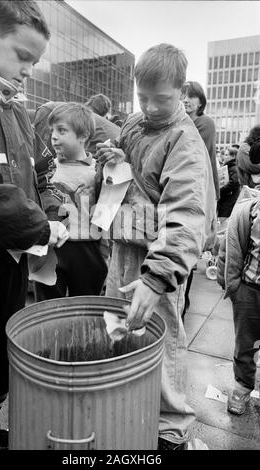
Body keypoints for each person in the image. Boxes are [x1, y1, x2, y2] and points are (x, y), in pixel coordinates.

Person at [96, 43, 217, 450]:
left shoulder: (184, 140)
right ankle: (125, 400)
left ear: (182, 92)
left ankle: (170, 430)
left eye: (161, 99)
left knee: (161, 334)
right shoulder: (134, 124)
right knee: (119, 321)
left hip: (155, 254)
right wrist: (116, 155)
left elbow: (185, 213)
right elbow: (137, 170)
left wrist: (158, 276)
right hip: (124, 244)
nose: (148, 107)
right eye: (142, 97)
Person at [0, 0, 68, 450]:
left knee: (1, 351)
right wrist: (38, 227)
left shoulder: (16, 104)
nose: (28, 69)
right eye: (22, 56)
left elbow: (41, 171)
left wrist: (52, 210)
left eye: (35, 61)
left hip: (13, 257)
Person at [34, 102, 108, 301]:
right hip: (51, 248)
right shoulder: (44, 170)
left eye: (62, 130)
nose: (54, 136)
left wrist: (105, 251)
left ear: (83, 136)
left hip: (87, 249)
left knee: (86, 308)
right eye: (52, 131)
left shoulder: (99, 171)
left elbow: (107, 210)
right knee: (47, 308)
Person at [217, 196, 260, 415]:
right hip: (250, 288)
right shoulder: (250, 209)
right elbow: (229, 246)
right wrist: (229, 282)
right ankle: (242, 388)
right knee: (246, 343)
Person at [181, 81, 219, 320]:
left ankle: (182, 305)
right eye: (182, 95)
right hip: (188, 191)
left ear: (200, 102)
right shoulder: (181, 122)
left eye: (191, 97)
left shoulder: (203, 123)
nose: (185, 100)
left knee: (187, 250)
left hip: (199, 193)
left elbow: (189, 149)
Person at [217, 147, 240, 218]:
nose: (224, 156)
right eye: (224, 154)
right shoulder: (229, 166)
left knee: (224, 218)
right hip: (227, 196)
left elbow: (233, 183)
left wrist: (220, 190)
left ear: (233, 156)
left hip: (230, 197)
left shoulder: (233, 167)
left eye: (227, 155)